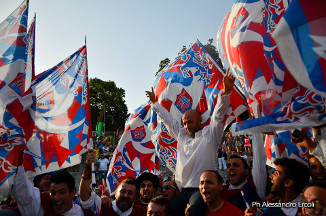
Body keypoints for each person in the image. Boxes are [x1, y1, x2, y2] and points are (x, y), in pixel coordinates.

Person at [146, 69, 235, 215]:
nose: (186, 126)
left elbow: (218, 116)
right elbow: (168, 120)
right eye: (185, 123)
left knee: (192, 212)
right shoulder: (181, 135)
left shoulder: (210, 135)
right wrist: (155, 103)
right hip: (181, 191)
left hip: (200, 190)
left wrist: (226, 91)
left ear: (199, 121)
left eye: (190, 122)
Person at [79, 150, 147, 215]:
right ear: (115, 193)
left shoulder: (143, 212)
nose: (126, 195)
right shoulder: (103, 206)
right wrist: (88, 167)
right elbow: (84, 197)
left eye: (130, 193)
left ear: (135, 196)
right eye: (123, 191)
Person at [245, 157, 309, 216]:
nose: (270, 176)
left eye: (276, 173)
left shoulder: (309, 211)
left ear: (288, 183)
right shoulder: (265, 211)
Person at [11, 167, 84, 215]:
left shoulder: (79, 211)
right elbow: (21, 189)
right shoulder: (39, 204)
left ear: (73, 192)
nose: (56, 198)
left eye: (62, 192)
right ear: (38, 182)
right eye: (53, 193)